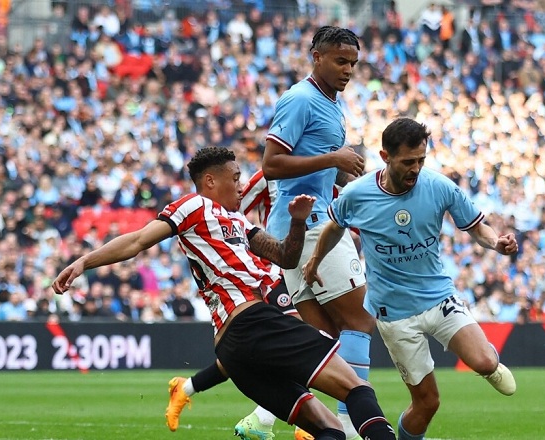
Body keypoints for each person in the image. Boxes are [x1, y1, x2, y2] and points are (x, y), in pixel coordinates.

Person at [53, 147, 396, 440]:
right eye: (234, 177)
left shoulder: (241, 224)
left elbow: (285, 257)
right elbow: (138, 240)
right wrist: (85, 261)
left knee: (329, 430)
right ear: (210, 181)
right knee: (357, 389)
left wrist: (296, 223)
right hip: (252, 321)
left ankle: (193, 390)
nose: (239, 183)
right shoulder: (193, 206)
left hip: (233, 350)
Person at [303, 118, 518, 440]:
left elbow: (476, 226)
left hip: (438, 297)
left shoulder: (440, 186)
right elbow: (334, 226)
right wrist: (315, 261)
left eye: (421, 160)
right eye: (408, 162)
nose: (416, 168)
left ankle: (489, 366)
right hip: (395, 315)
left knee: (486, 361)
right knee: (428, 402)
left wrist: (496, 242)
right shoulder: (357, 194)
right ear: (385, 156)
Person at [262, 25, 374, 440]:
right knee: (360, 320)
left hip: (301, 226)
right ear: (317, 57)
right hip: (309, 228)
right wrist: (335, 157)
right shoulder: (300, 100)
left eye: (353, 64)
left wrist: (342, 183)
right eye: (340, 61)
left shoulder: (330, 103)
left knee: (321, 339)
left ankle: (284, 420)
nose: (348, 70)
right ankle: (352, 424)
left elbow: (315, 171)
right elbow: (272, 164)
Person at [165, 168, 335, 439]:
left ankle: (186, 389)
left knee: (262, 352)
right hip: (265, 270)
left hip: (302, 262)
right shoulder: (270, 175)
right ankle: (283, 422)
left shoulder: (324, 175)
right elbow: (227, 211)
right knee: (297, 335)